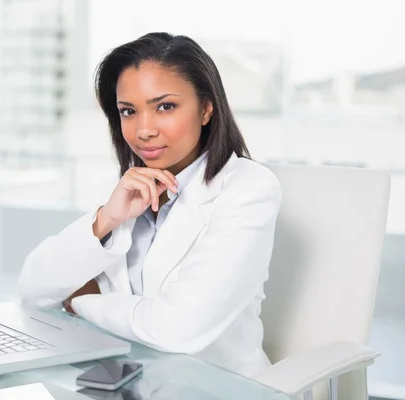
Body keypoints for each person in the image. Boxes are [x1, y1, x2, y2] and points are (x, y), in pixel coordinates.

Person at [17, 32, 282, 377]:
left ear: (206, 108)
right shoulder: (133, 188)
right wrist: (107, 219)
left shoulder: (249, 189)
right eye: (128, 111)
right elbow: (32, 290)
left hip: (216, 387)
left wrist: (81, 302)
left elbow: (175, 328)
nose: (143, 130)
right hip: (127, 382)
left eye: (165, 107)